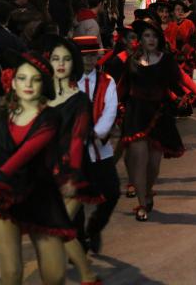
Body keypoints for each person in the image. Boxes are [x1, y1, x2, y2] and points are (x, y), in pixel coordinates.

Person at [0, 51, 72, 285]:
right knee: (12, 274)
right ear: (12, 81)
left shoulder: (49, 118)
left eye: (35, 79)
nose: (28, 84)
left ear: (42, 85)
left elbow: (24, 154)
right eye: (22, 78)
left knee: (55, 275)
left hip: (40, 195)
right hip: (3, 195)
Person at [45, 36, 102, 284]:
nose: (60, 64)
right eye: (55, 58)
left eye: (66, 59)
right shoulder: (38, 93)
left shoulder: (79, 99)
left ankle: (85, 275)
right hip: (46, 172)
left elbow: (78, 139)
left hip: (73, 172)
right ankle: (86, 275)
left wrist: (73, 175)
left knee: (58, 227)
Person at [121, 18, 186, 222]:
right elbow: (122, 88)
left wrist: (189, 97)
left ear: (159, 39)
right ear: (140, 39)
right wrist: (113, 109)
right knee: (139, 160)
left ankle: (148, 191)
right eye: (146, 35)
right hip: (136, 114)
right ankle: (141, 203)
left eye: (154, 36)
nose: (151, 39)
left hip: (159, 114)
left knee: (154, 165)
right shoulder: (130, 60)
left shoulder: (166, 60)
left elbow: (177, 83)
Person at [73, 36, 120, 255]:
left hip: (99, 149)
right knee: (76, 198)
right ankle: (79, 240)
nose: (89, 60)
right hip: (72, 150)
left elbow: (110, 111)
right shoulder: (67, 82)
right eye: (84, 56)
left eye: (93, 55)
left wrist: (96, 133)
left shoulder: (107, 81)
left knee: (112, 192)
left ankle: (95, 227)